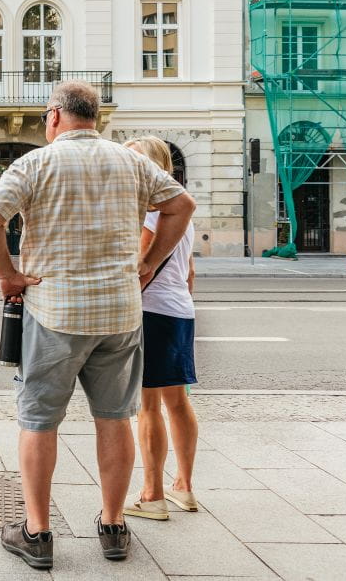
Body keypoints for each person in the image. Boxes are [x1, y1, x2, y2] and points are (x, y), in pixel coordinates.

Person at [0, 81, 196, 569]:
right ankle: (114, 526)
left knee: (39, 420)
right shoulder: (132, 161)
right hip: (119, 313)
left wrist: (8, 275)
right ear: (98, 117)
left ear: (54, 116)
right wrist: (149, 265)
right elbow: (181, 206)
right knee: (114, 416)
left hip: (54, 312)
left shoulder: (35, 162)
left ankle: (37, 533)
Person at [122, 136, 199, 520]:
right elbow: (189, 273)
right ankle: (183, 486)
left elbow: (142, 266)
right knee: (178, 402)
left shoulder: (152, 210)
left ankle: (152, 494)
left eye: (134, 160)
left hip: (150, 312)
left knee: (147, 406)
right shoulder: (180, 208)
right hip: (180, 311)